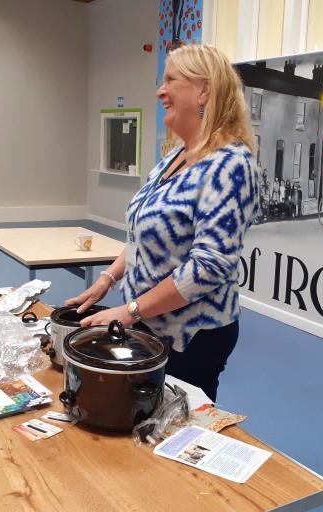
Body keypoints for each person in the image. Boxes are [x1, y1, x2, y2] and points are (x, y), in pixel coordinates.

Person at [65, 44, 259, 402]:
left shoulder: (231, 164)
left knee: (173, 426)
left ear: (204, 90)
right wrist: (107, 280)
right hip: (148, 323)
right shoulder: (174, 158)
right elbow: (143, 234)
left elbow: (209, 267)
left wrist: (131, 310)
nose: (160, 91)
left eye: (170, 79)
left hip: (191, 335)